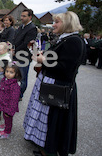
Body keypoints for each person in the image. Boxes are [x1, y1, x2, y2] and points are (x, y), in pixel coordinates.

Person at [23, 11, 84, 156]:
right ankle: (45, 146)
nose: (53, 25)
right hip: (52, 83)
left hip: (58, 86)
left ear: (68, 24)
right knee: (49, 119)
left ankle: (50, 150)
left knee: (54, 120)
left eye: (57, 22)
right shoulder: (66, 39)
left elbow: (65, 69)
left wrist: (43, 60)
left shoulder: (74, 41)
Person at [13, 9, 37, 99]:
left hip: (24, 57)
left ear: (30, 17)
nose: (21, 17)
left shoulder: (32, 28)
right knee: (15, 75)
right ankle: (15, 92)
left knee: (22, 77)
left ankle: (20, 95)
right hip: (16, 55)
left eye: (24, 16)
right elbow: (16, 38)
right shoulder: (21, 26)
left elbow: (26, 43)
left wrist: (15, 50)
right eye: (21, 15)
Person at [0, 62, 22, 139]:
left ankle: (7, 132)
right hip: (3, 104)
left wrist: (10, 111)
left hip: (9, 107)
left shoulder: (15, 86)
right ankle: (6, 125)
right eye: (7, 71)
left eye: (11, 72)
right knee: (4, 116)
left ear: (16, 74)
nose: (8, 74)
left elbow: (14, 99)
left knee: (8, 118)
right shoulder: (4, 80)